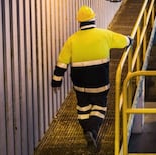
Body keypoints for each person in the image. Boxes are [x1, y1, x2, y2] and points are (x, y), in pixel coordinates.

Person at [51, 5, 132, 150]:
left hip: (80, 83)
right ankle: (92, 130)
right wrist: (129, 40)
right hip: (99, 81)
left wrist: (56, 81)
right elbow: (122, 41)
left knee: (83, 107)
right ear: (93, 19)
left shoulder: (72, 40)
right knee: (99, 106)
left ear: (79, 22)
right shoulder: (104, 34)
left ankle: (85, 129)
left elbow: (62, 62)